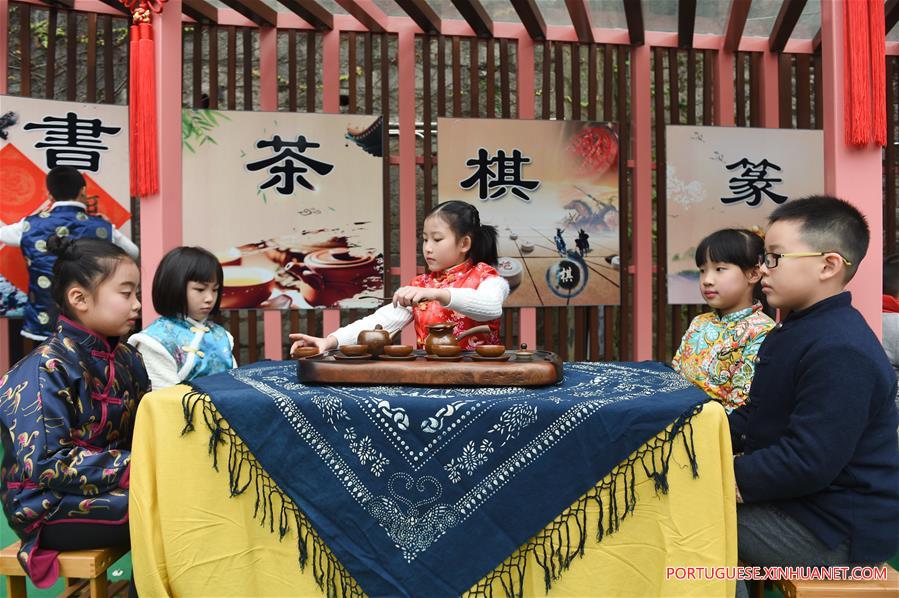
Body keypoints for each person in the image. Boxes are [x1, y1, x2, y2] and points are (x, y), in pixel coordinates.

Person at [730, 196, 899, 598]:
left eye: (774, 257)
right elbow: (757, 418)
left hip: (836, 531)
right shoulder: (801, 328)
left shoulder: (840, 348)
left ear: (828, 265)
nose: (761, 270)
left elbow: (807, 462)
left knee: (689, 518)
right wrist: (695, 434)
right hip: (804, 506)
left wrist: (722, 479)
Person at [0, 236, 149, 588]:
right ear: (79, 298)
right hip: (46, 503)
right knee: (161, 506)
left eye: (136, 293)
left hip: (109, 486)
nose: (137, 304)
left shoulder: (129, 359)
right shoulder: (43, 368)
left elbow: (145, 431)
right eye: (126, 293)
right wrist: (136, 467)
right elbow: (48, 462)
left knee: (180, 493)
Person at [290, 201, 508, 354]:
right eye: (424, 240)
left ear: (464, 244)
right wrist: (329, 341)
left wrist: (437, 294)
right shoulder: (421, 285)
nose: (428, 248)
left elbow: (491, 307)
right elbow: (380, 322)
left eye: (437, 239)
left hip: (482, 379)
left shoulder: (486, 277)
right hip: (435, 379)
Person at [0, 166, 139, 340]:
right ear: (83, 192)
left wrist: (32, 219)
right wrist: (109, 228)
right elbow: (133, 252)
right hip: (89, 321)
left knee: (45, 363)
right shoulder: (101, 228)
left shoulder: (28, 226)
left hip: (44, 319)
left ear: (50, 196)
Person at [672, 229, 774, 413]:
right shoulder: (699, 322)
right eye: (702, 270)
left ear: (753, 274)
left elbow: (741, 403)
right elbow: (675, 376)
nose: (707, 280)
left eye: (719, 269)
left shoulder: (762, 331)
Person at [129, 246, 236, 389]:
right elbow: (165, 401)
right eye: (200, 289)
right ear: (174, 286)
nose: (210, 298)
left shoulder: (222, 337)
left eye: (215, 289)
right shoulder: (156, 342)